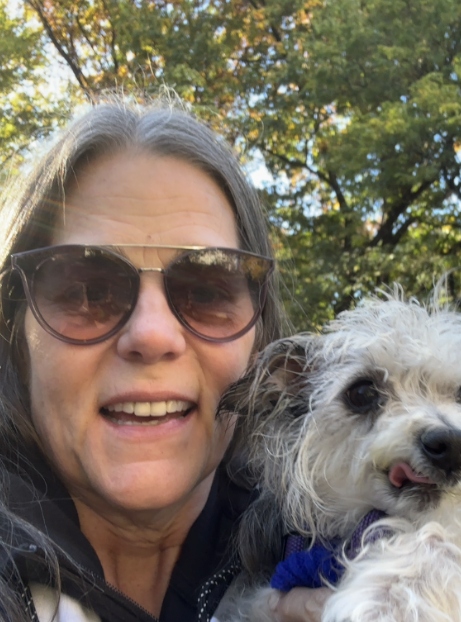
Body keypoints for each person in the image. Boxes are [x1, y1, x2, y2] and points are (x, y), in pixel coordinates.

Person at [0, 96, 329, 622]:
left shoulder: (363, 554)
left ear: (260, 344)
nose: (152, 336)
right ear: (16, 336)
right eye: (88, 291)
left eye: (207, 290)